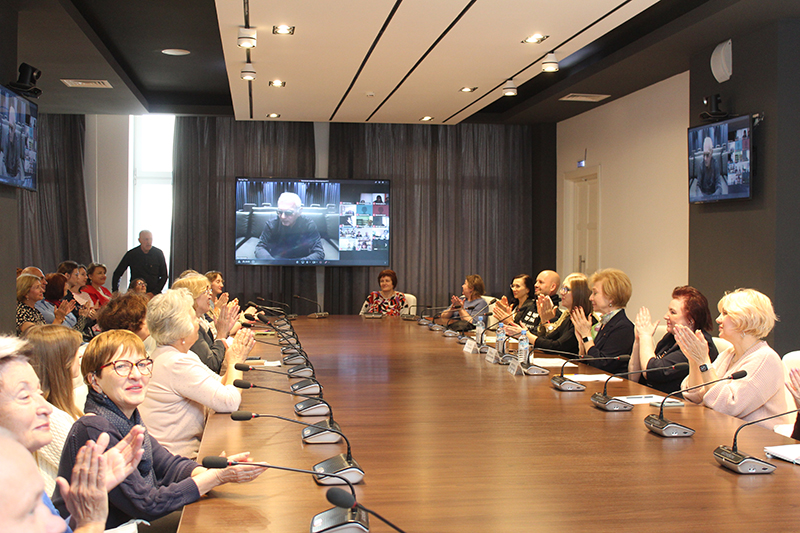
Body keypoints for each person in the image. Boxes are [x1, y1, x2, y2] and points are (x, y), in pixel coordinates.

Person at [52, 330, 265, 529]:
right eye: (122, 366)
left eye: (142, 364)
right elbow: (146, 504)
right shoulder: (95, 428)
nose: (136, 374)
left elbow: (167, 465)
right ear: (94, 380)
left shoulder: (126, 416)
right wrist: (216, 477)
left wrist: (213, 473)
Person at [0, 335, 146, 533]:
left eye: (39, 393)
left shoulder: (18, 471)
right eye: (25, 396)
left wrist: (85, 510)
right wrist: (91, 522)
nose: (46, 408)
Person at [140, 289, 253, 458]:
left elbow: (220, 383)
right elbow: (230, 402)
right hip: (176, 461)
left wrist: (233, 361)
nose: (199, 322)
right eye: (194, 318)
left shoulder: (181, 355)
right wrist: (235, 361)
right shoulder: (176, 363)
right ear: (181, 329)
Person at [675, 288, 793, 429]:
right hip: (724, 432)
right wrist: (694, 360)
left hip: (756, 439)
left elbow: (727, 407)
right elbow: (696, 397)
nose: (718, 319)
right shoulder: (729, 354)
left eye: (725, 314)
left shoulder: (766, 359)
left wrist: (704, 361)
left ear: (745, 319)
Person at [21, 325, 84, 496]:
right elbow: (85, 468)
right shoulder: (49, 417)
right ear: (61, 361)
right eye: (75, 352)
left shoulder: (61, 408)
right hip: (59, 506)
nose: (80, 355)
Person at [629, 286, 719, 394]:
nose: (666, 316)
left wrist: (645, 336)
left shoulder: (699, 345)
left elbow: (652, 372)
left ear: (690, 320)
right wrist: (638, 340)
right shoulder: (671, 337)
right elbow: (633, 377)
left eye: (672, 312)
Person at [570, 268, 635, 375]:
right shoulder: (605, 323)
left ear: (611, 297)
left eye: (595, 293)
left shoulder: (624, 327)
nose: (590, 298)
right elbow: (588, 363)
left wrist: (586, 336)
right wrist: (581, 344)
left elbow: (602, 364)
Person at [171, 275, 240, 373]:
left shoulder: (201, 321)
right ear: (192, 297)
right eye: (206, 292)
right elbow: (212, 365)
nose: (210, 295)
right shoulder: (188, 327)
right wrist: (221, 335)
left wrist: (225, 331)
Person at [514, 273, 593, 356]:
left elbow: (557, 346)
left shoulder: (585, 320)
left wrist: (528, 336)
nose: (561, 292)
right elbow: (548, 339)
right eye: (562, 288)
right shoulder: (568, 317)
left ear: (578, 293)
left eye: (566, 289)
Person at [255, 192, 324, 260]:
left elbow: (319, 252)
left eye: (288, 213)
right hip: (276, 261)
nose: (283, 217)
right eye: (280, 212)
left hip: (301, 262)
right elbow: (260, 247)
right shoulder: (271, 225)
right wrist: (272, 262)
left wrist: (299, 264)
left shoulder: (308, 225)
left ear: (299, 212)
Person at [111, 230, 169, 296]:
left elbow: (164, 276)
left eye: (150, 239)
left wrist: (154, 292)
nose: (149, 242)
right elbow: (117, 273)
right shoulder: (131, 254)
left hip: (154, 293)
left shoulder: (158, 253)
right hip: (135, 293)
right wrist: (115, 292)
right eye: (146, 239)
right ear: (139, 240)